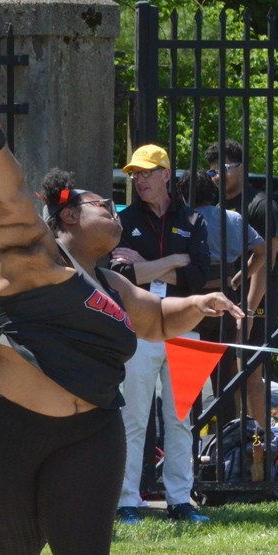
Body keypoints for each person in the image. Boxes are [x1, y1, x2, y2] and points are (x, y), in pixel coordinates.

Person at [0, 84, 242, 555]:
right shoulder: (32, 258)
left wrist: (201, 303)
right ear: (64, 217)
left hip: (89, 431)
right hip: (5, 426)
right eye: (98, 203)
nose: (113, 208)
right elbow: (10, 191)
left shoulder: (111, 281)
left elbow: (156, 320)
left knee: (85, 553)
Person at [109, 145, 212, 525]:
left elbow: (197, 277)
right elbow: (122, 276)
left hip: (185, 329)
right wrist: (172, 262)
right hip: (140, 330)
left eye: (147, 173)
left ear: (166, 174)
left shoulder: (193, 220)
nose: (140, 180)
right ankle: (126, 501)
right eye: (135, 174)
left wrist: (148, 266)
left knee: (180, 418)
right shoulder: (124, 220)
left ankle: (180, 501)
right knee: (134, 417)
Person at [206, 139, 278, 420]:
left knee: (250, 372)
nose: (217, 176)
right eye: (212, 171)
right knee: (227, 372)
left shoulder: (261, 205)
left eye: (224, 168)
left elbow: (266, 262)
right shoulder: (217, 205)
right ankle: (233, 435)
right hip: (227, 296)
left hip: (257, 298)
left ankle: (260, 439)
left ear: (241, 168)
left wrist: (250, 311)